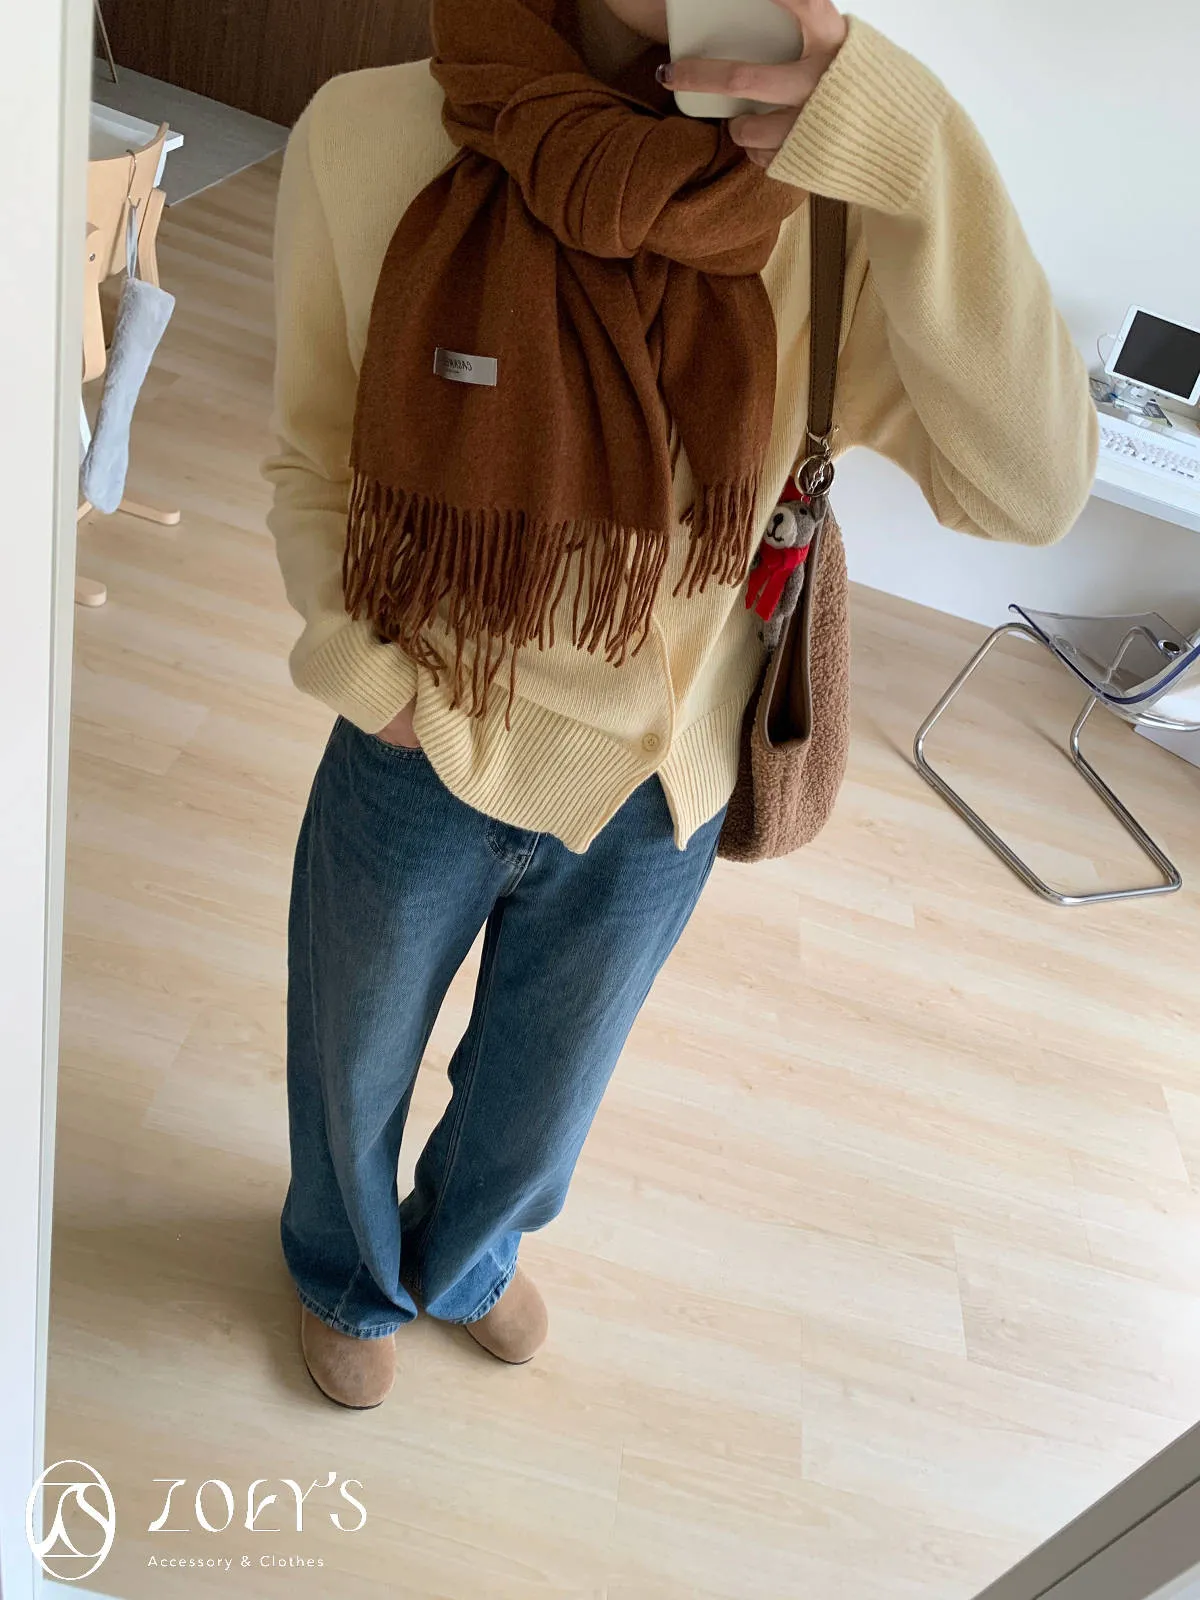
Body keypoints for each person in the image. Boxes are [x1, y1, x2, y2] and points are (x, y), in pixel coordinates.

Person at [263, 0, 1097, 1409]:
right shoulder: (373, 130)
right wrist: (374, 681)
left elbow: (1031, 492)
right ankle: (344, 1275)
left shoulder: (828, 208)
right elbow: (311, 450)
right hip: (424, 739)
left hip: (662, 783)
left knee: (540, 1109)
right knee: (349, 1059)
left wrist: (916, 143)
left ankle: (464, 1262)